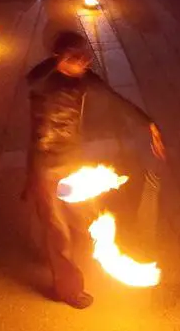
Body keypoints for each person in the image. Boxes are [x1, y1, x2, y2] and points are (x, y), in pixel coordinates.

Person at [24, 31, 166, 309]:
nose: (85, 62)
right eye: (77, 57)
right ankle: (67, 288)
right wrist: (57, 62)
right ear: (60, 59)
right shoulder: (44, 82)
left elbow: (115, 99)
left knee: (89, 216)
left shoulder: (85, 79)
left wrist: (147, 123)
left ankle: (67, 257)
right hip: (46, 166)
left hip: (73, 160)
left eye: (86, 56)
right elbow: (32, 78)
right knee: (57, 230)